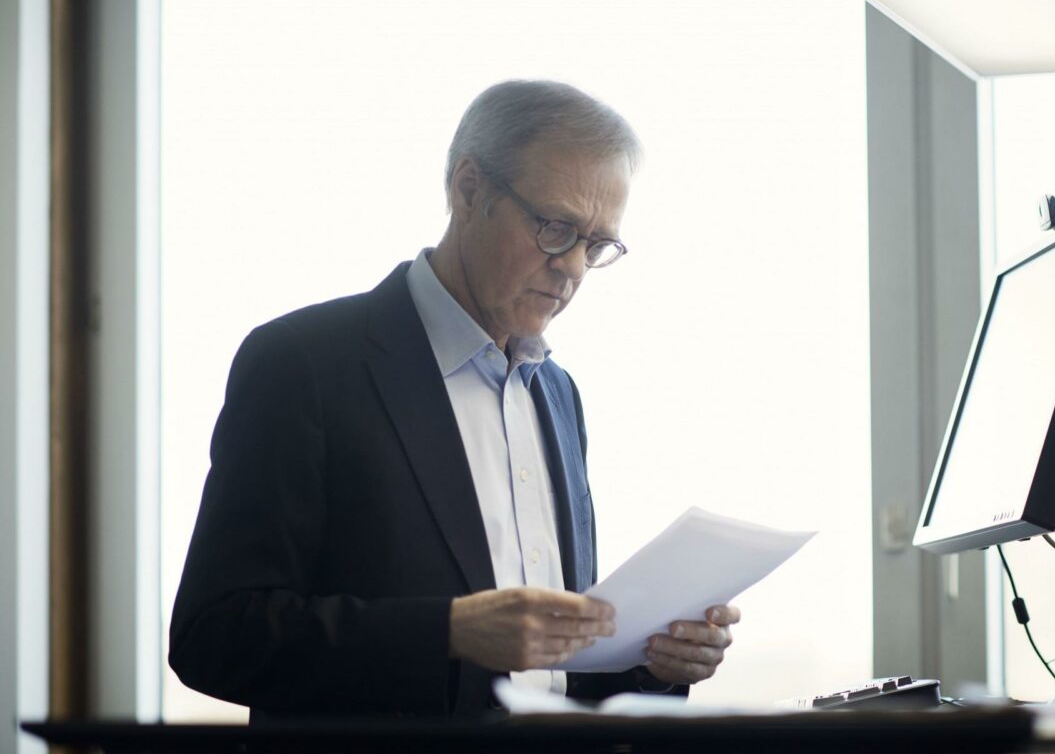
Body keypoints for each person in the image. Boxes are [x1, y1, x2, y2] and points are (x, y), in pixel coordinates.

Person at [169, 80, 740, 721]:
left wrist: (654, 664)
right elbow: (214, 637)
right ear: (469, 190)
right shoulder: (302, 363)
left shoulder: (558, 395)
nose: (575, 267)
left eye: (597, 244)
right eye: (556, 228)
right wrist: (448, 633)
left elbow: (554, 679)